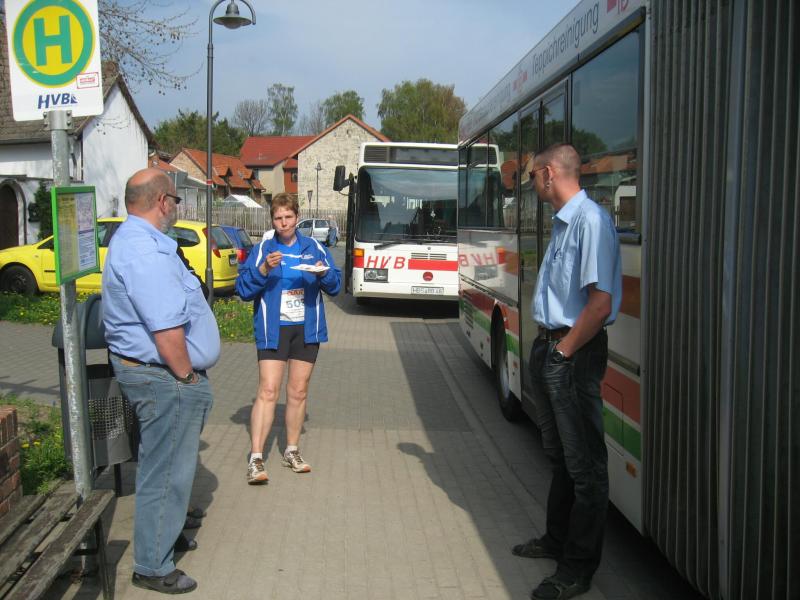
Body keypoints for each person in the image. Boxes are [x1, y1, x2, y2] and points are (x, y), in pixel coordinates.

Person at [102, 168, 220, 594]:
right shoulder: (144, 252)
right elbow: (167, 331)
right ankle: (152, 565)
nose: (177, 206)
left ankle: (163, 536)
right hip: (164, 376)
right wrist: (188, 377)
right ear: (161, 201)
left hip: (161, 374)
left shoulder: (142, 242)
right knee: (165, 470)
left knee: (170, 466)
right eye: (176, 198)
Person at [512, 143, 621, 600]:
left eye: (533, 175)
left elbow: (600, 303)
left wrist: (563, 353)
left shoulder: (590, 221)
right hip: (552, 347)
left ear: (548, 173)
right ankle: (556, 540)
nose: (532, 184)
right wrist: (549, 351)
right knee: (561, 458)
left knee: (586, 468)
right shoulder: (564, 222)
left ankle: (576, 569)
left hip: (573, 354)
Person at [235, 192, 341, 484]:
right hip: (273, 329)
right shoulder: (263, 249)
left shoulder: (314, 248)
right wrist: (264, 269)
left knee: (298, 392)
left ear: (297, 218)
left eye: (288, 217)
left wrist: (323, 274)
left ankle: (292, 451)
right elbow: (243, 290)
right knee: (268, 390)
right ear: (272, 220)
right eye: (278, 218)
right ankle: (256, 458)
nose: (283, 223)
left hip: (306, 328)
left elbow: (335, 286)